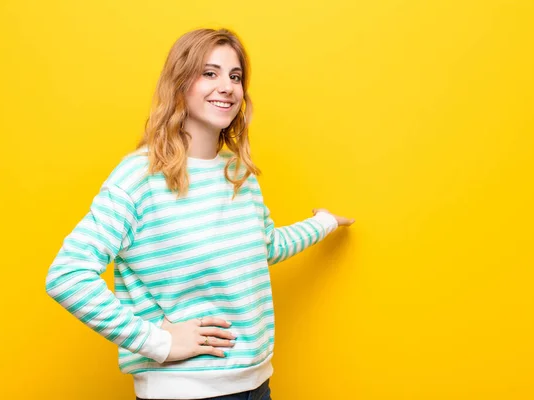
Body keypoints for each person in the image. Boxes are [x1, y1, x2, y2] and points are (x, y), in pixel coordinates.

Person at [45, 28, 355, 400]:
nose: (226, 86)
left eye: (235, 76)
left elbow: (266, 246)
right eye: (209, 73)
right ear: (179, 84)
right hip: (184, 392)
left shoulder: (237, 172)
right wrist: (157, 341)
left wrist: (322, 223)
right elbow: (67, 275)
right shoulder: (140, 176)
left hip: (256, 383)